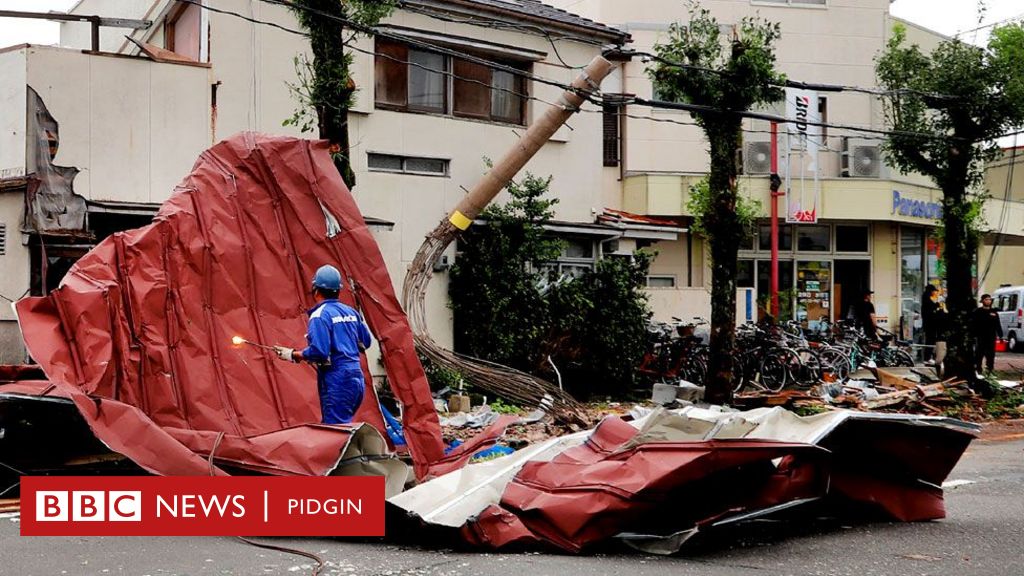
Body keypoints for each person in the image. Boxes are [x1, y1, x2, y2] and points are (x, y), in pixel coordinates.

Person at [273, 264, 372, 424]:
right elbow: (365, 342)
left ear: (316, 290)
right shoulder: (350, 312)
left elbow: (319, 352)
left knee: (336, 430)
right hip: (356, 379)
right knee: (344, 426)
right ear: (338, 290)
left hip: (337, 380)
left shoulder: (320, 315)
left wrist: (293, 354)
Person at [971, 293, 1002, 375]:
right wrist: (974, 335)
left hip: (991, 337)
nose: (988, 301)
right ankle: (978, 369)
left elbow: (997, 324)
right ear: (982, 301)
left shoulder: (994, 312)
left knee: (991, 355)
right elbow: (973, 324)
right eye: (986, 299)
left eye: (989, 299)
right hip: (981, 336)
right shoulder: (977, 312)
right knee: (979, 354)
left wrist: (1000, 335)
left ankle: (990, 370)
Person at [921, 285, 940, 362]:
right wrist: (937, 305)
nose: (934, 292)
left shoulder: (926, 299)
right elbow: (931, 309)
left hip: (929, 324)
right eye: (933, 291)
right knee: (930, 340)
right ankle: (927, 357)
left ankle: (929, 356)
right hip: (930, 325)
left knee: (930, 340)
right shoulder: (927, 300)